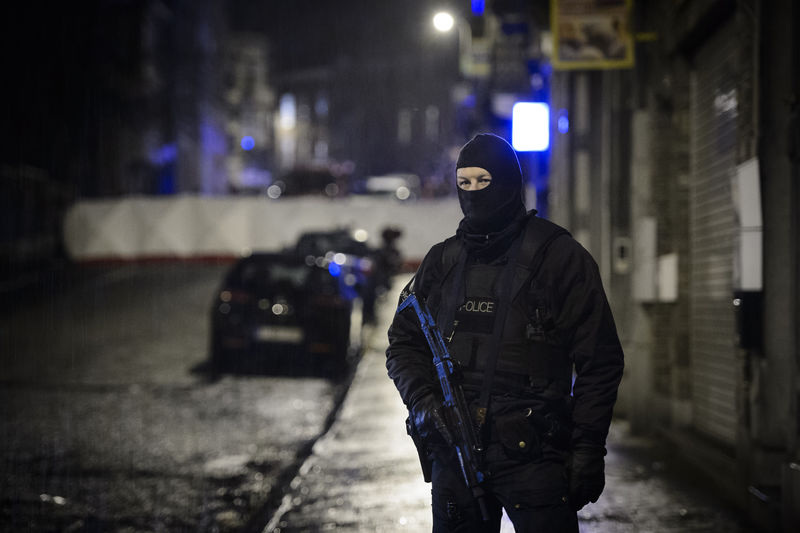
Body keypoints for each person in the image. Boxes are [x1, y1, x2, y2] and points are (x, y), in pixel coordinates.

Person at [386, 133, 624, 532]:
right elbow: (404, 344)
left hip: (534, 455)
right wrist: (424, 402)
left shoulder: (559, 258)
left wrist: (587, 448)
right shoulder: (443, 261)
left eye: (484, 181)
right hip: (455, 452)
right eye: (465, 183)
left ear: (510, 184)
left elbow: (599, 362)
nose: (474, 192)